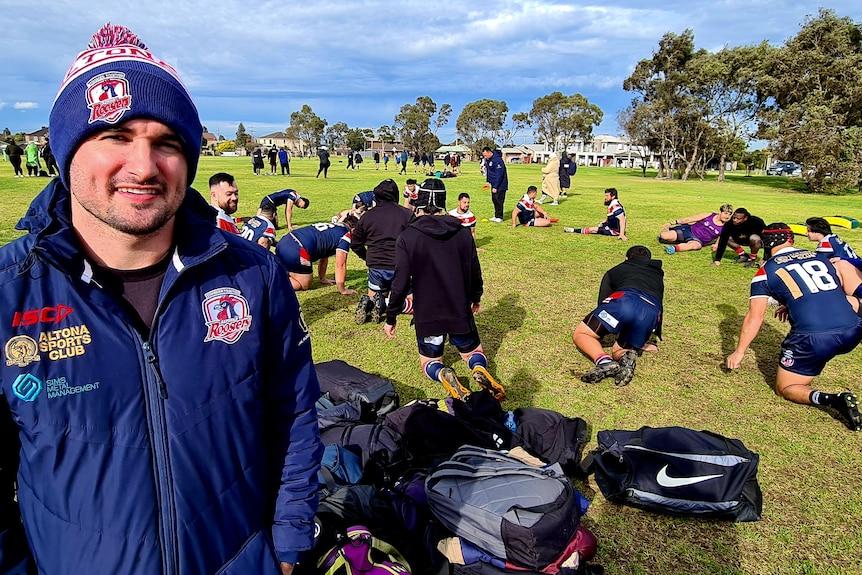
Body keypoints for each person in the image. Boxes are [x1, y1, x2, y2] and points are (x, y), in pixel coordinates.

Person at [0, 23, 322, 575]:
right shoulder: (10, 293)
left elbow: (292, 411)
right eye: (115, 137)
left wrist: (289, 545)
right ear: (66, 152)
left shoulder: (253, 274)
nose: (145, 166)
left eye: (167, 143)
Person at [726, 224, 861, 431]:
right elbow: (819, 291)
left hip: (814, 339)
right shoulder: (820, 257)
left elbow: (755, 318)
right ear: (791, 240)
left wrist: (739, 352)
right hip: (853, 329)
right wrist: (790, 302)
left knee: (785, 387)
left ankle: (834, 400)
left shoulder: (765, 272)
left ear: (766, 244)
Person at [383, 198, 505, 402]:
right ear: (443, 202)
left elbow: (400, 281)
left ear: (419, 205)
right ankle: (478, 367)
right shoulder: (463, 232)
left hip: (427, 313)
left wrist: (391, 316)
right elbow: (475, 269)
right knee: (473, 351)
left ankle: (442, 374)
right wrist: (476, 296)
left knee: (429, 362)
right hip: (459, 307)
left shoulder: (407, 236)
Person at [573, 245, 664, 387]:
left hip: (624, 302)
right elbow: (660, 306)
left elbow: (603, 298)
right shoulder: (657, 275)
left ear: (627, 258)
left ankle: (604, 361)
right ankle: (624, 357)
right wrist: (649, 337)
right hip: (651, 312)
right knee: (619, 349)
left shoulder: (617, 269)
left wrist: (601, 326)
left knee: (582, 334)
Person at [350, 179, 415, 324]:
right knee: (415, 304)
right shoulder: (407, 215)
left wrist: (367, 257)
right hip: (400, 267)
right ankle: (386, 303)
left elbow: (355, 244)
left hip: (375, 267)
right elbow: (416, 242)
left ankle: (374, 303)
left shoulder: (367, 216)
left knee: (376, 297)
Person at [276, 219, 359, 294]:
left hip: (284, 241)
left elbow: (324, 253)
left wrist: (322, 278)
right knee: (304, 284)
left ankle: (281, 272)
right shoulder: (346, 236)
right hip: (297, 249)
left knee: (289, 269)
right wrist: (342, 289)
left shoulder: (335, 227)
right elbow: (340, 265)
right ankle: (274, 283)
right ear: (354, 230)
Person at [660, 204, 733, 254]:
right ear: (720, 212)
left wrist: (716, 245)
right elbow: (689, 219)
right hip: (688, 231)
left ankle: (673, 248)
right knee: (664, 236)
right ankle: (675, 237)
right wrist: (671, 223)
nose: (727, 216)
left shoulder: (726, 226)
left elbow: (721, 237)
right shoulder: (709, 215)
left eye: (729, 214)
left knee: (695, 246)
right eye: (725, 213)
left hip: (698, 240)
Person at [482, 146, 508, 223]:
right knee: (494, 200)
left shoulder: (498, 160)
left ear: (489, 152)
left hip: (500, 185)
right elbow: (489, 172)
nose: (485, 157)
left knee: (499, 200)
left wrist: (496, 186)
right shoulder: (488, 160)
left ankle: (500, 217)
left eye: (486, 155)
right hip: (493, 184)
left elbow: (499, 174)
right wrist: (488, 181)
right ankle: (496, 215)